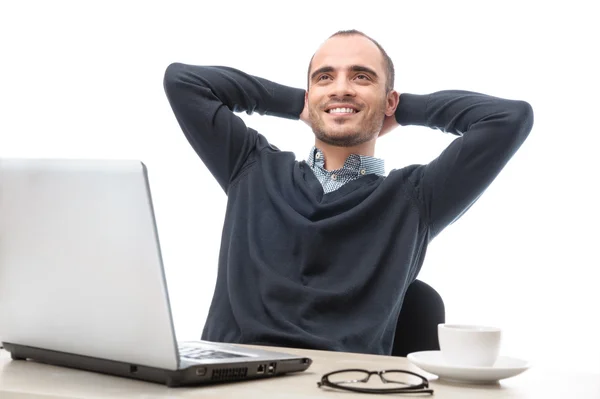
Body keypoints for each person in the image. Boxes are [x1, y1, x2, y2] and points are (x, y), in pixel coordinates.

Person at [162, 29, 534, 356]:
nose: (342, 87)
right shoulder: (252, 167)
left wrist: (400, 109)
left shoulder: (415, 198)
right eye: (325, 77)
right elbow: (184, 82)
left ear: (389, 99)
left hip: (340, 385)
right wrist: (299, 104)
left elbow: (508, 118)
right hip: (228, 382)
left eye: (361, 77)